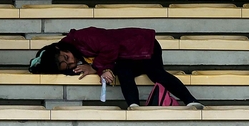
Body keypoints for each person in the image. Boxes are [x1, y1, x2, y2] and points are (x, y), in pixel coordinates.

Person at [28, 26, 204, 109]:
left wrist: (97, 67)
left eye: (67, 57)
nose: (72, 62)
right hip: (125, 58)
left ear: (60, 48)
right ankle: (134, 105)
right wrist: (103, 69)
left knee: (155, 73)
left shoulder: (82, 37)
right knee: (124, 72)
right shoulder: (72, 53)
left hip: (142, 45)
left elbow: (110, 47)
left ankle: (191, 100)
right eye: (67, 65)